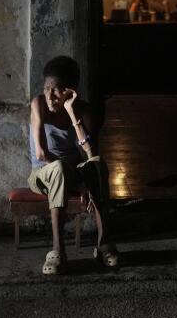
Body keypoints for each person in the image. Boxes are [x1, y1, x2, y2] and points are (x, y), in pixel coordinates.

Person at [28, 55, 120, 275]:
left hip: (73, 174)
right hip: (43, 173)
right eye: (46, 88)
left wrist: (71, 113)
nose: (50, 96)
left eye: (57, 90)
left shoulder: (83, 110)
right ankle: (58, 250)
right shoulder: (38, 104)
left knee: (97, 165)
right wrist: (79, 182)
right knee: (59, 167)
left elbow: (90, 153)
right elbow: (41, 153)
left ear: (70, 91)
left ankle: (104, 243)